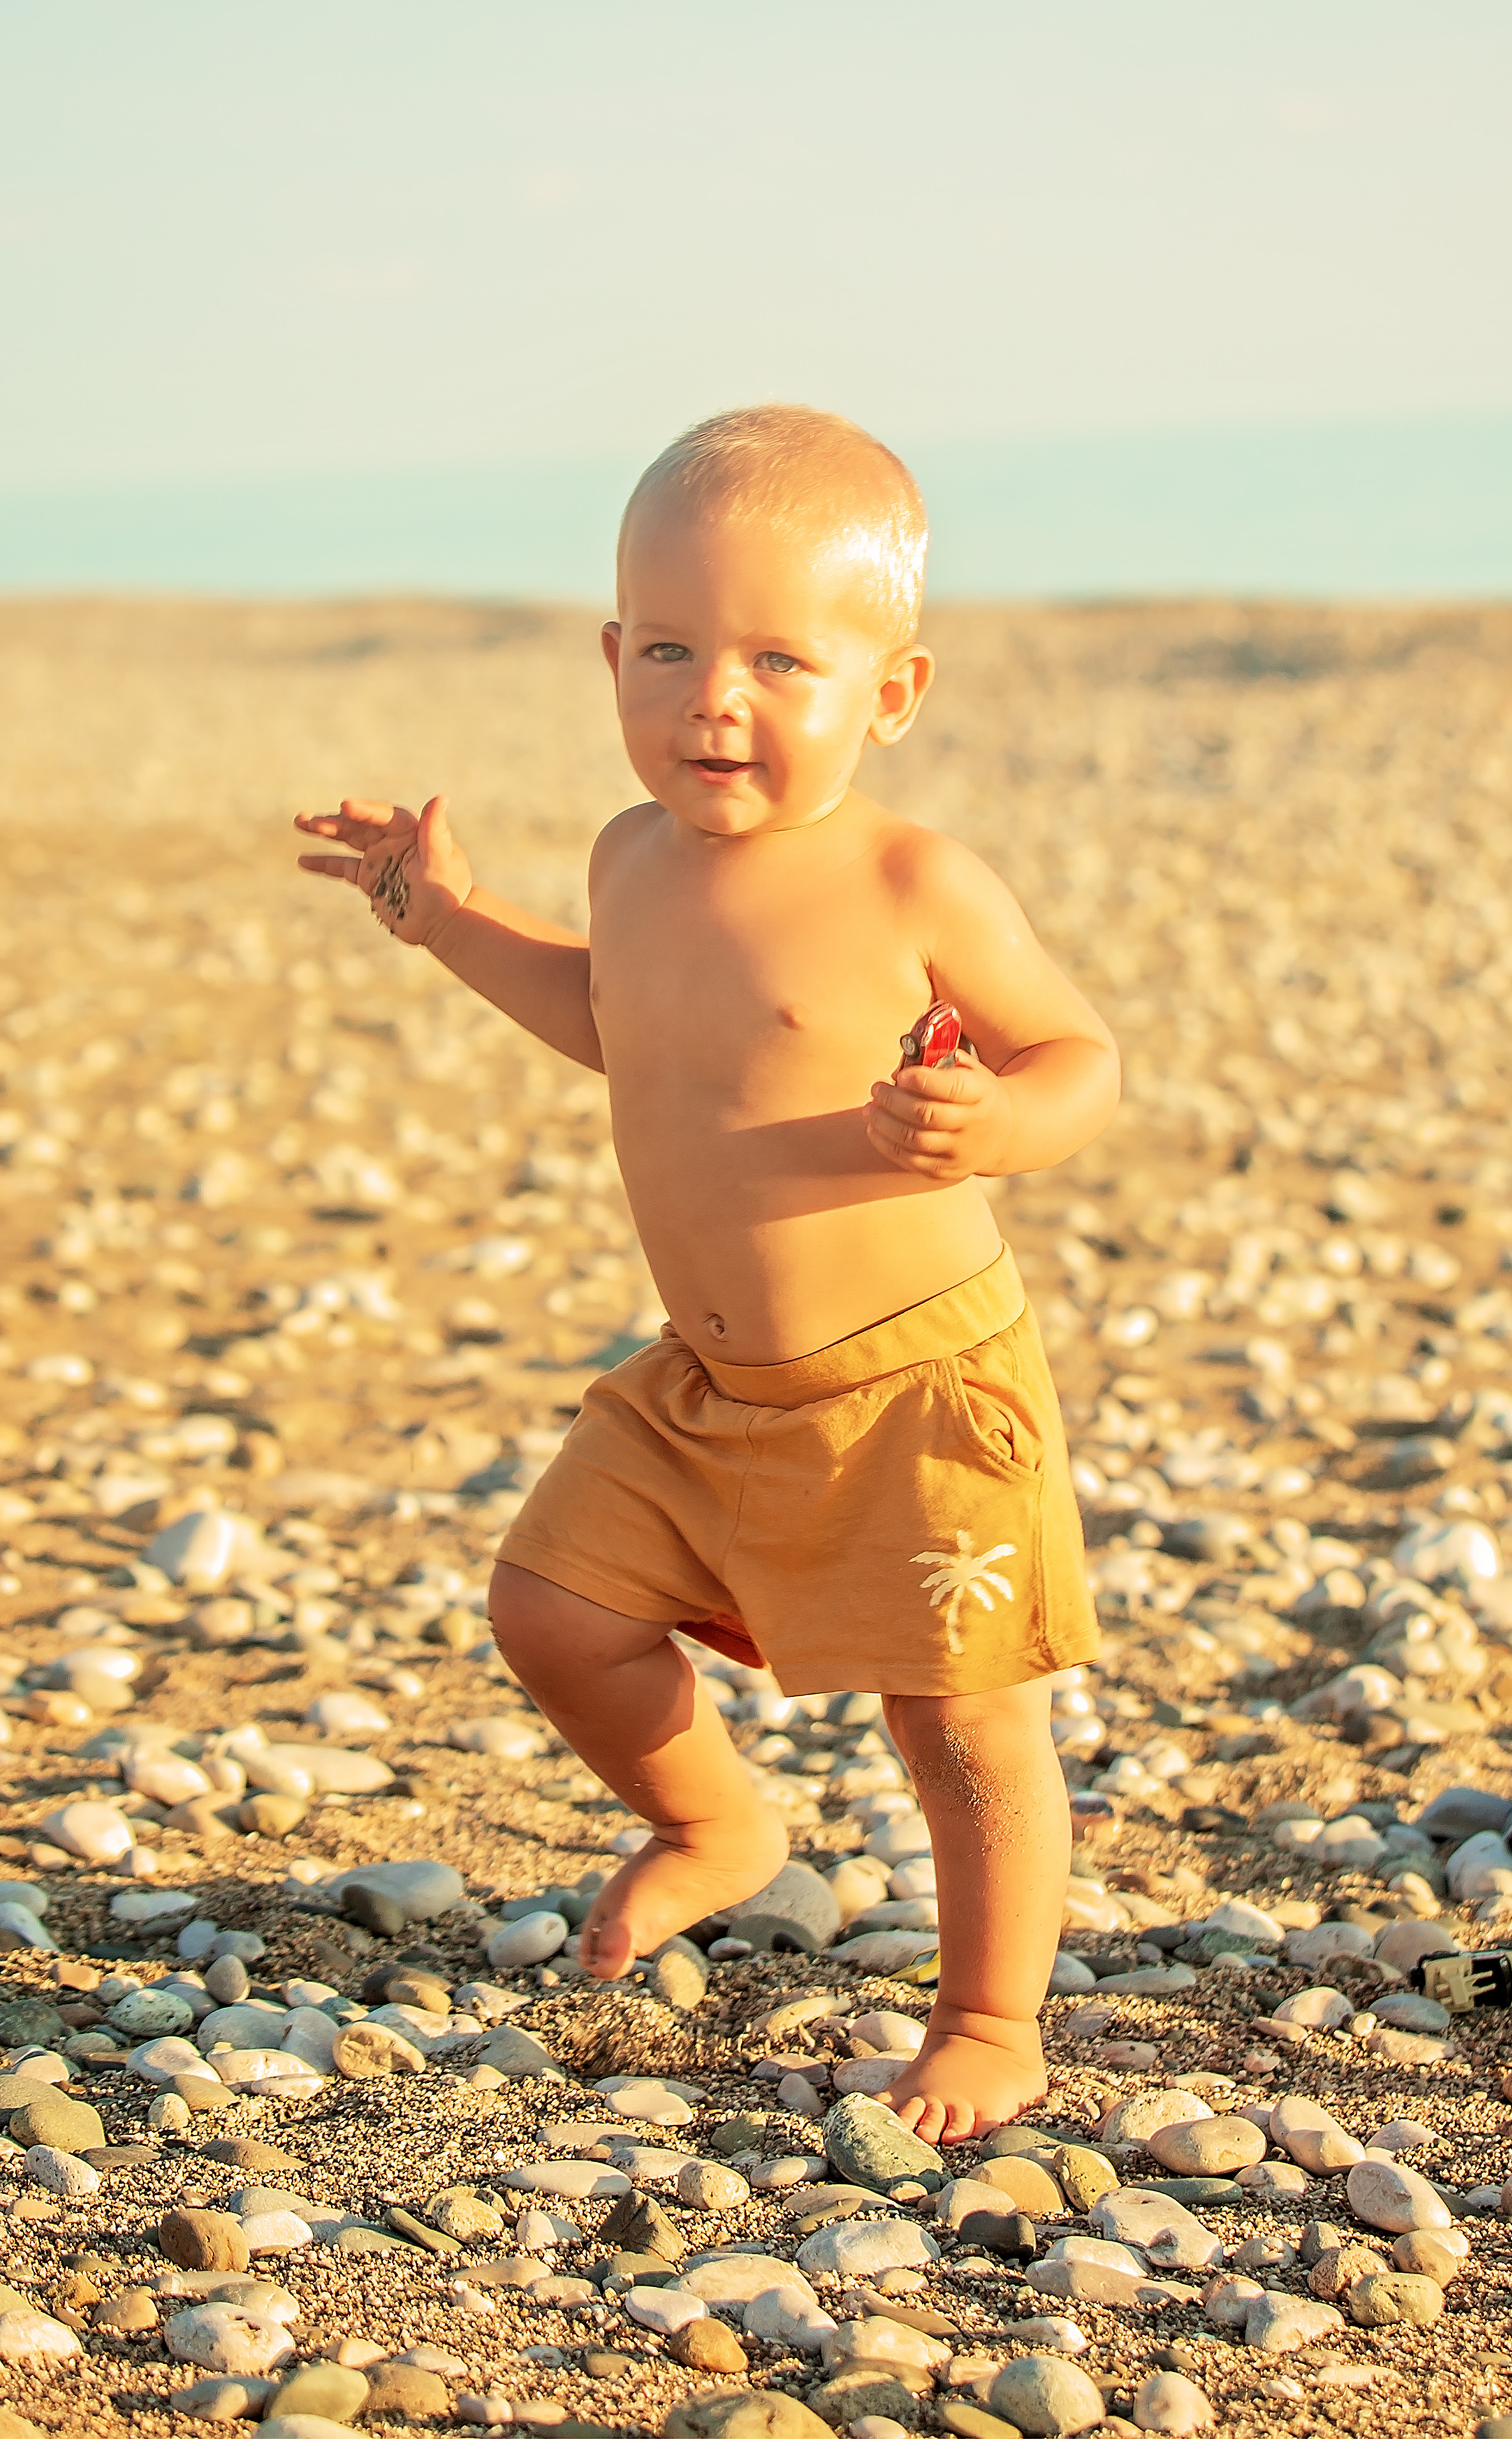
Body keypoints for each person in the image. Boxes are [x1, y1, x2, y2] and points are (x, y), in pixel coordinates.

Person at [295, 405, 1120, 2141]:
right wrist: (449, 920)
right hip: (705, 1388)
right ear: (611, 656)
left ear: (890, 691)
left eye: (775, 660)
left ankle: (989, 2012)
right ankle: (715, 1823)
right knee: (553, 1612)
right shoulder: (627, 858)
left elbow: (1080, 1058)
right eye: (666, 649)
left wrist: (991, 1119)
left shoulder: (910, 878)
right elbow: (612, 1022)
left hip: (911, 1391)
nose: (711, 698)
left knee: (961, 1723)